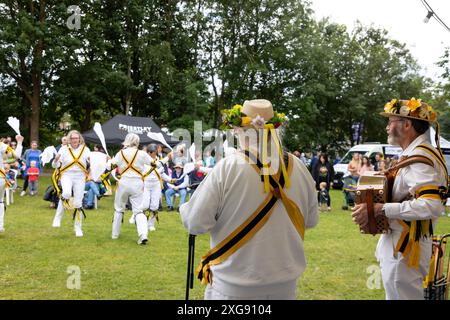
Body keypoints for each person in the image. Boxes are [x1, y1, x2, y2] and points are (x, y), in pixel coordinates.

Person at [180, 99, 319, 300]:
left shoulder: (227, 167)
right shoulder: (299, 167)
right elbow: (312, 220)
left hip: (233, 291)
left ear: (240, 130)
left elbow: (195, 222)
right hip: (286, 290)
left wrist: (186, 208)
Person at [352, 98, 448, 300]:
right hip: (403, 244)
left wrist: (381, 209)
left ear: (407, 124)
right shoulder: (417, 154)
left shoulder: (420, 157)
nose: (387, 127)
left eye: (391, 121)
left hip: (404, 247)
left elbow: (431, 205)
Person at [107, 133, 152, 245]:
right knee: (138, 210)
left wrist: (109, 161)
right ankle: (143, 235)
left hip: (123, 182)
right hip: (137, 183)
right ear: (137, 142)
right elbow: (155, 164)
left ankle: (114, 235)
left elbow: (109, 167)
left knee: (118, 208)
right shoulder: (142, 154)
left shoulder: (120, 153)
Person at [51, 130, 91, 237]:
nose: (74, 140)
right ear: (69, 139)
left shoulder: (85, 149)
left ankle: (78, 228)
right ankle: (57, 217)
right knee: (67, 194)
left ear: (79, 139)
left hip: (80, 177)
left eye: (76, 138)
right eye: (72, 138)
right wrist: (55, 160)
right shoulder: (64, 149)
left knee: (78, 203)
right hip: (67, 175)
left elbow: (91, 162)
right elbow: (55, 166)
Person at [131, 143, 172, 232]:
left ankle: (151, 224)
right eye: (151, 152)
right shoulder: (144, 161)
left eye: (153, 152)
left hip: (156, 184)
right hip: (146, 184)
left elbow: (162, 174)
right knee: (145, 205)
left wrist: (170, 180)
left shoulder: (159, 160)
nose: (152, 154)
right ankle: (135, 214)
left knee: (154, 206)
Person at [0, 135, 24, 233]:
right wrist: (19, 143)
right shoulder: (1, 145)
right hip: (0, 177)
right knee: (0, 202)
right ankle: (0, 226)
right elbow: (16, 155)